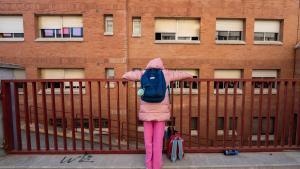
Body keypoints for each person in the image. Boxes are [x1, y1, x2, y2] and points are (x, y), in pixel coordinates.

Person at [122, 58, 192, 169]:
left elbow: (131, 74)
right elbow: (179, 74)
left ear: (149, 65)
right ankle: (157, 164)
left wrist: (124, 77)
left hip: (146, 113)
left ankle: (149, 164)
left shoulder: (143, 73)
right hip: (161, 113)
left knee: (148, 140)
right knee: (158, 141)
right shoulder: (166, 74)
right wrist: (190, 75)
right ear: (161, 65)